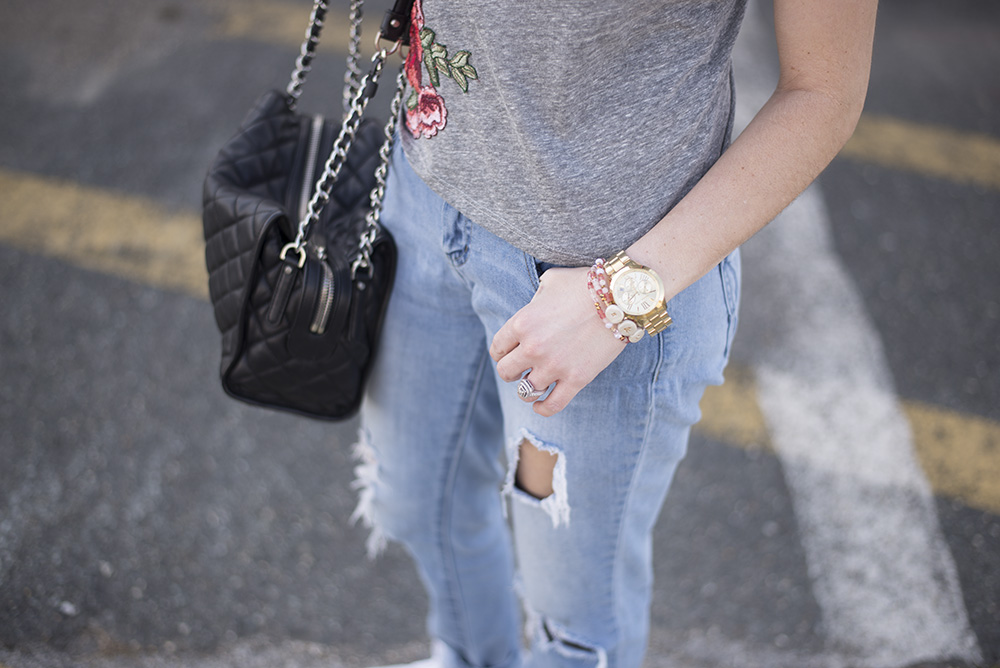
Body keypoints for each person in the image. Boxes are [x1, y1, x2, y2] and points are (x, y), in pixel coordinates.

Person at [352, 0, 877, 666]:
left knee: (571, 621)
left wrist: (617, 301)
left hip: (598, 294)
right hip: (424, 202)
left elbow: (824, 93)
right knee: (416, 499)